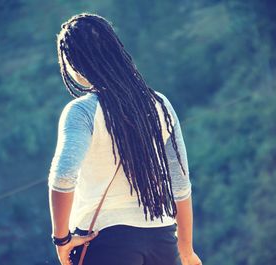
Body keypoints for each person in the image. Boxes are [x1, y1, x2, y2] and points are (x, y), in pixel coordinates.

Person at [48, 12, 202, 265]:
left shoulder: (82, 112)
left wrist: (61, 240)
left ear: (73, 64)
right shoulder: (160, 105)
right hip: (162, 241)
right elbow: (180, 183)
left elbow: (64, 176)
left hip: (105, 243)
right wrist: (185, 250)